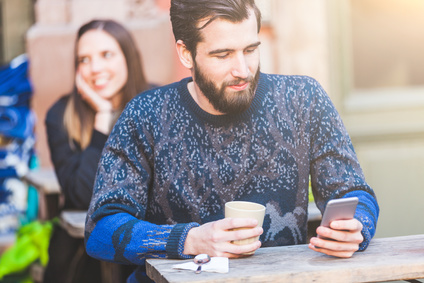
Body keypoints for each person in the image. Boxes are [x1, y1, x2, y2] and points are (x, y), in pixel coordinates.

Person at [85, 1, 380, 282]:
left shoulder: (303, 99)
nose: (242, 70)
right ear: (186, 53)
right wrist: (190, 239)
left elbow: (354, 191)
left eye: (250, 49)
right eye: (222, 54)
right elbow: (100, 230)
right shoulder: (145, 115)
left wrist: (357, 226)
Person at [44, 19, 150, 283]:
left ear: (128, 57)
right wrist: (102, 118)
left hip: (147, 248)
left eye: (106, 55)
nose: (95, 68)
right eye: (84, 60)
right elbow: (81, 197)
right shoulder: (61, 116)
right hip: (82, 258)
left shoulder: (155, 104)